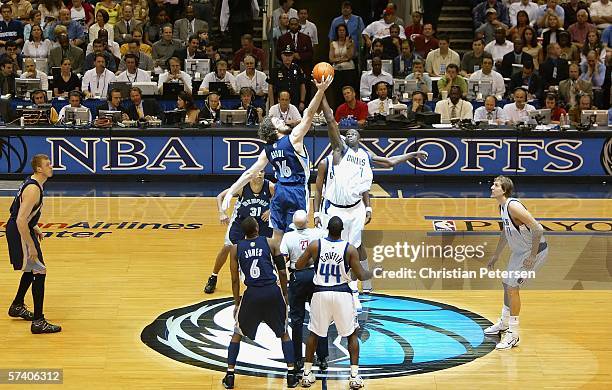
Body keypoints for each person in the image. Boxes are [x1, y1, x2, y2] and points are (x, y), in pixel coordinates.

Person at [316, 96, 428, 307]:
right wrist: (322, 94)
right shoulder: (340, 151)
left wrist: (412, 153)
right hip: (335, 208)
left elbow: (389, 162)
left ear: (360, 137)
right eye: (346, 133)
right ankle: (331, 282)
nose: (349, 134)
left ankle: (365, 281)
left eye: (353, 132)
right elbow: (331, 120)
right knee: (332, 245)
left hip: (355, 208)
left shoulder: (366, 156)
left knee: (357, 246)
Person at [221, 75, 333, 244]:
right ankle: (294, 267)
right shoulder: (293, 138)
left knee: (277, 236)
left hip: (280, 192)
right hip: (296, 191)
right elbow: (309, 114)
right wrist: (320, 91)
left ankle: (277, 267)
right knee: (297, 234)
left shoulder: (267, 150)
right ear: (273, 130)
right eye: (277, 121)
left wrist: (231, 191)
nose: (282, 120)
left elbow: (250, 173)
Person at [295, 216, 373, 389]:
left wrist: (313, 260)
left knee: (314, 333)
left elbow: (299, 265)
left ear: (328, 229)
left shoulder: (316, 245)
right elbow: (361, 276)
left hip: (320, 293)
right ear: (342, 231)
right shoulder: (349, 249)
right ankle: (354, 376)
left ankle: (307, 374)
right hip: (341, 294)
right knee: (352, 334)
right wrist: (372, 273)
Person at [222, 216, 299, 389]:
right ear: (257, 228)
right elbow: (282, 272)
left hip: (252, 295)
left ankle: (230, 375)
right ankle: (292, 374)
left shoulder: (235, 249)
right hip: (272, 291)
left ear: (244, 233)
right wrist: (285, 294)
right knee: (283, 332)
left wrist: (236, 303)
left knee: (237, 333)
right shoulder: (271, 243)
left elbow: (235, 279)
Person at [485, 176, 548, 350]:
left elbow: (538, 228)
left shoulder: (513, 206)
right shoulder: (502, 207)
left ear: (504, 190)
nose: (492, 187)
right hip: (520, 252)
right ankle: (504, 323)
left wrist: (533, 256)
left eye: (496, 185)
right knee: (506, 283)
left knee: (513, 288)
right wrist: (496, 255)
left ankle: (513, 334)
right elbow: (506, 232)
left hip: (534, 252)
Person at [6, 155, 61, 334]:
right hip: (19, 231)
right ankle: (38, 321)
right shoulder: (33, 189)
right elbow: (20, 219)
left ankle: (17, 305)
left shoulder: (34, 184)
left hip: (23, 228)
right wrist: (30, 245)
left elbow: (16, 209)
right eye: (47, 165)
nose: (51, 167)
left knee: (33, 270)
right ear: (39, 169)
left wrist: (34, 225)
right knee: (39, 270)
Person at [204, 171, 273, 294]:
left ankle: (269, 277)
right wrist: (221, 212)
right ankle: (213, 276)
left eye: (262, 172)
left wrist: (271, 210)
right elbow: (220, 196)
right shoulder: (242, 186)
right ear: (251, 175)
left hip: (260, 223)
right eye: (257, 172)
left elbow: (282, 200)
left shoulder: (270, 187)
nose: (259, 175)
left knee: (267, 249)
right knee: (227, 247)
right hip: (241, 222)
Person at [279, 210, 328, 371]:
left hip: (297, 277)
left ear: (293, 224)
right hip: (315, 276)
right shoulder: (318, 233)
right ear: (307, 222)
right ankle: (322, 358)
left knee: (297, 320)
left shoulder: (288, 237)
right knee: (320, 317)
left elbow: (283, 259)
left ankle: (298, 359)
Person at [329, 23, 356, 105]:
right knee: (337, 93)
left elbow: (350, 56)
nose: (341, 32)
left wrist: (347, 46)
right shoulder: (333, 43)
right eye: (339, 30)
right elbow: (331, 58)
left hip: (349, 71)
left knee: (349, 92)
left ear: (346, 31)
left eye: (343, 30)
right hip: (337, 71)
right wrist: (342, 59)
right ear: (337, 32)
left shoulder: (351, 42)